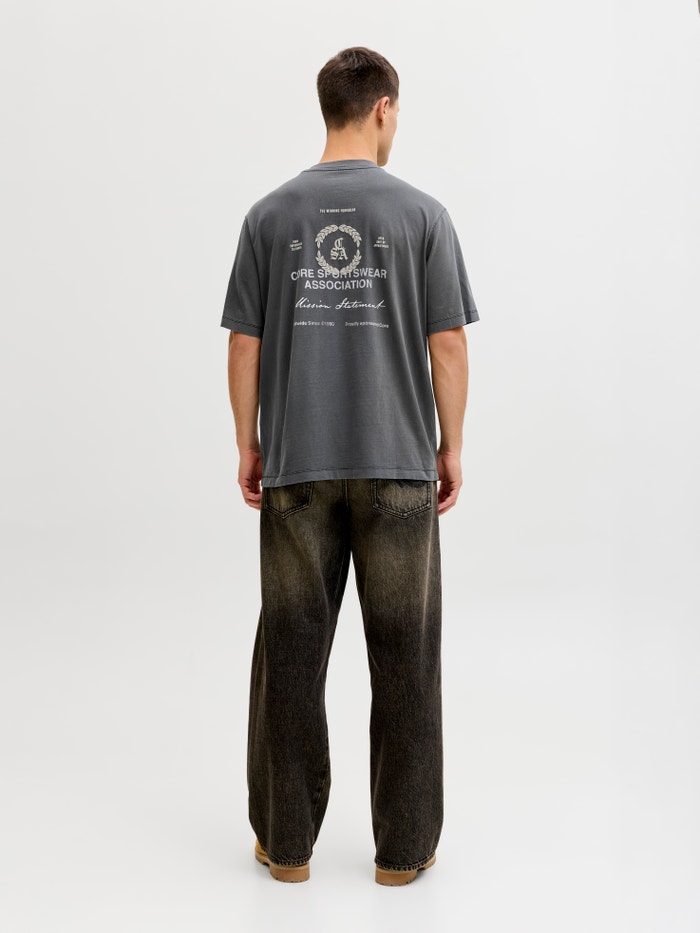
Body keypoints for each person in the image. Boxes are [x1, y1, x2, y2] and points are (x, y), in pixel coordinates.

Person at [221, 46, 480, 886]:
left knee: (291, 655)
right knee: (406, 658)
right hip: (398, 464)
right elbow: (448, 342)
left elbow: (245, 344)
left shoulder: (269, 216)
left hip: (297, 465)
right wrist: (451, 444)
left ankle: (285, 846)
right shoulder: (423, 215)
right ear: (382, 108)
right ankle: (403, 853)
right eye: (396, 114)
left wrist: (248, 441)